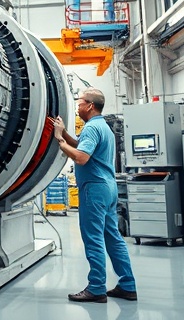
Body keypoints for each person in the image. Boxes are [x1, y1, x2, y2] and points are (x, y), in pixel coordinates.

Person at [52, 87, 137, 303]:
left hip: (94, 189)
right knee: (113, 238)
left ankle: (97, 288)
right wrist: (64, 132)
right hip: (108, 189)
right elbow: (80, 145)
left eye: (80, 102)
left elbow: (81, 157)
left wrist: (59, 141)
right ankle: (128, 285)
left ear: (90, 105)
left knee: (94, 239)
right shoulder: (103, 127)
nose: (77, 106)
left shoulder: (91, 128)